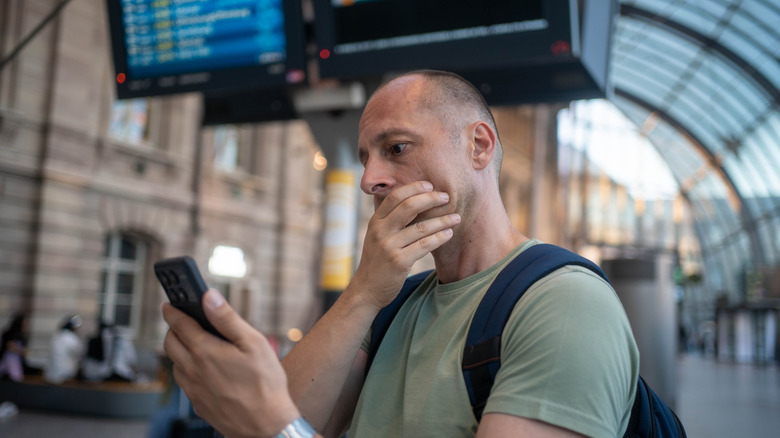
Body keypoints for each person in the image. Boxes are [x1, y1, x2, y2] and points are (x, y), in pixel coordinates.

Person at [163, 70, 640, 438]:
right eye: (365, 157)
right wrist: (363, 292)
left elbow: (277, 422)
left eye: (396, 148)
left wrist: (275, 427)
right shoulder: (391, 304)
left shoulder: (564, 305)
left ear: (478, 146)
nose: (371, 180)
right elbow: (307, 417)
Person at [44, 315, 83, 384]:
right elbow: (79, 353)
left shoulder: (57, 335)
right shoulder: (72, 338)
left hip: (51, 373)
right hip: (64, 374)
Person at [0, 313, 33, 382]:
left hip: (14, 362)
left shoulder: (19, 333)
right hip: (9, 362)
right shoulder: (12, 333)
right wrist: (22, 351)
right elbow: (10, 347)